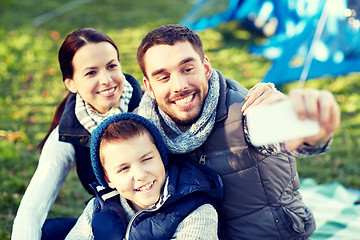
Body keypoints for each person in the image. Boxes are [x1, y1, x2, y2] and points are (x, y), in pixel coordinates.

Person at [134, 24, 341, 239]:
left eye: (187, 69)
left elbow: (288, 135)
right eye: (163, 77)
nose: (180, 85)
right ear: (149, 86)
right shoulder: (144, 127)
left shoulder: (244, 110)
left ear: (206, 68)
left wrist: (314, 131)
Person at [11, 28, 143, 240]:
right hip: (112, 220)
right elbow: (32, 211)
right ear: (71, 83)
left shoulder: (149, 107)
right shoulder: (66, 135)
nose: (107, 80)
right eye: (91, 73)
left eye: (111, 66)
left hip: (162, 214)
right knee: (49, 233)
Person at [87, 112, 222, 239]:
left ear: (161, 158)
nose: (140, 175)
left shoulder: (197, 209)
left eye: (147, 159)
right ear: (108, 180)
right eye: (124, 168)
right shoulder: (99, 206)